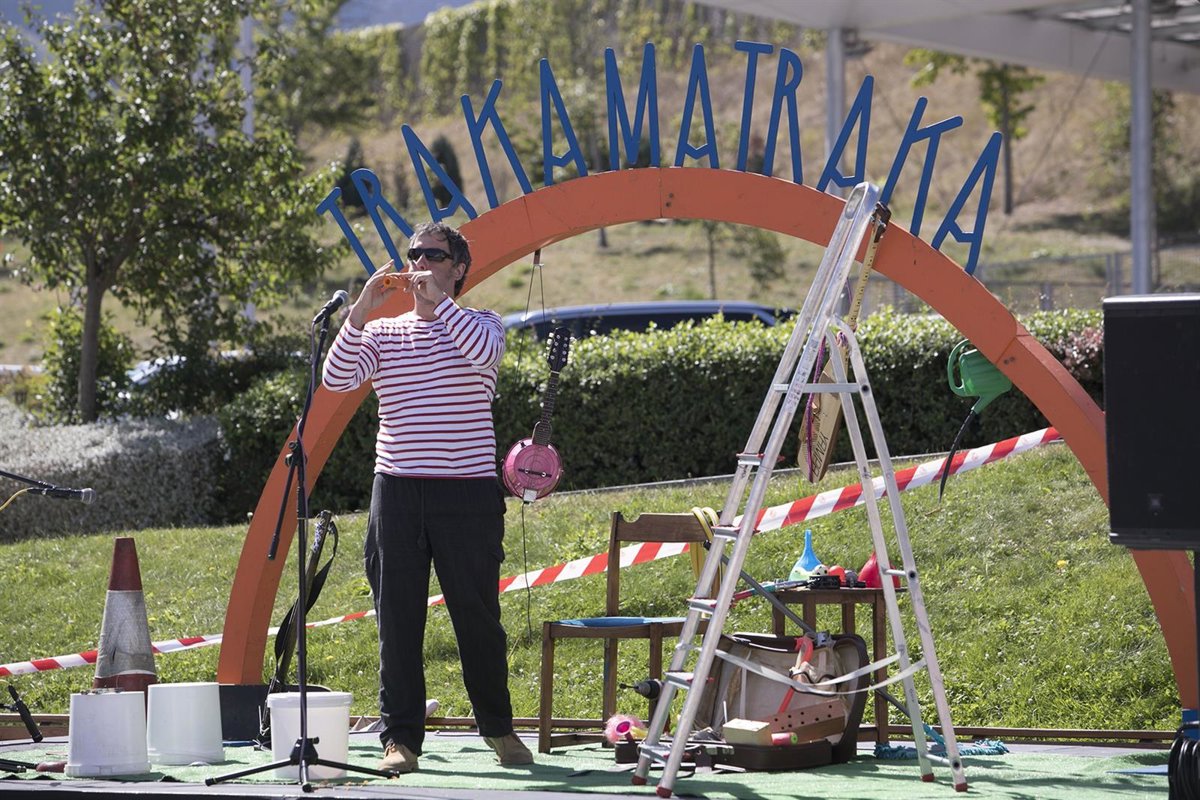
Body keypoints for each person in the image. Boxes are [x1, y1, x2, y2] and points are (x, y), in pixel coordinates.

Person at [321, 221, 532, 773]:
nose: (419, 264)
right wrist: (359, 313)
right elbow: (336, 380)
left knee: (478, 617)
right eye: (414, 254)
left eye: (433, 256)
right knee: (397, 620)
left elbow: (484, 354)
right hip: (397, 491)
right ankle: (400, 740)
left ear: (458, 268)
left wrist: (441, 304)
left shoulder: (481, 323)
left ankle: (500, 730)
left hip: (467, 493)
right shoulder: (383, 333)